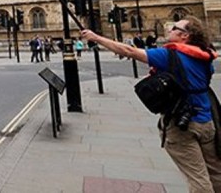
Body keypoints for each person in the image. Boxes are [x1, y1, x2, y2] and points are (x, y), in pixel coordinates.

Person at [81, 16, 221, 192]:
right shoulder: (205, 57)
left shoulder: (168, 56)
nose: (170, 29)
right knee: (216, 172)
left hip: (181, 124)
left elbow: (128, 51)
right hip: (207, 122)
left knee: (198, 179)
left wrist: (96, 38)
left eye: (175, 28)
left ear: (185, 35)